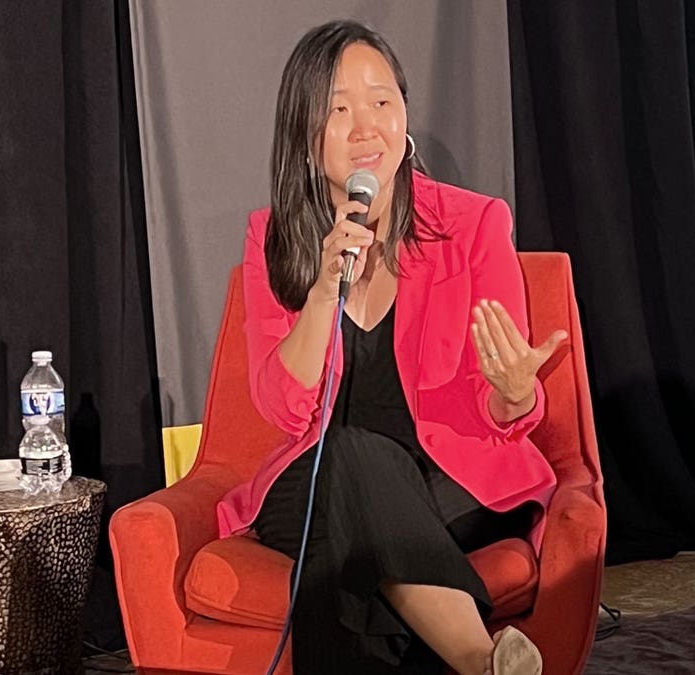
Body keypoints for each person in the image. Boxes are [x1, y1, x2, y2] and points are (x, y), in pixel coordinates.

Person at [216, 20, 567, 675]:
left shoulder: (472, 224)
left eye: (382, 102)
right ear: (306, 135)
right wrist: (323, 291)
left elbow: (505, 403)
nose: (365, 126)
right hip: (319, 480)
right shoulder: (274, 240)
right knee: (345, 464)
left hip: (452, 480)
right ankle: (480, 658)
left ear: (404, 122)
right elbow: (285, 410)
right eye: (339, 109)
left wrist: (516, 389)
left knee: (339, 557)